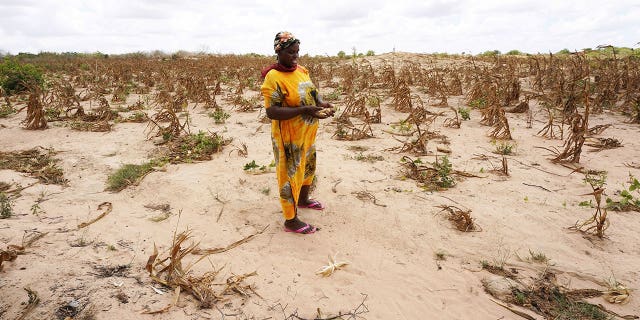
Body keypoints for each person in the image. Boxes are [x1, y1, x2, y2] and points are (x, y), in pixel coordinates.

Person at [260, 31, 334, 234]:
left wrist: (321, 104)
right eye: (291, 52)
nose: (295, 56)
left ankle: (303, 200)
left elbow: (312, 94)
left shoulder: (302, 70)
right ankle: (290, 220)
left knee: (308, 167)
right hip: (288, 138)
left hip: (307, 133)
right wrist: (304, 110)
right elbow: (272, 111)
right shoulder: (273, 77)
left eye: (297, 52)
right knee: (289, 175)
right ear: (279, 51)